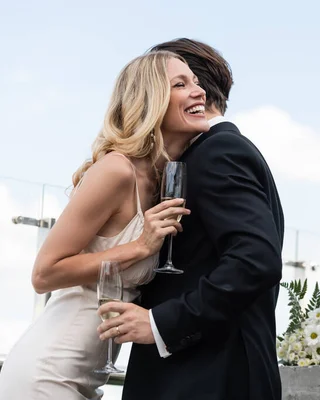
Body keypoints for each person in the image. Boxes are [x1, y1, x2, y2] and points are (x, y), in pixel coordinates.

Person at [0, 50, 210, 399]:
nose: (199, 91)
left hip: (88, 375)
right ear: (152, 99)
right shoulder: (117, 170)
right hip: (49, 372)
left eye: (197, 82)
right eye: (181, 84)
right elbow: (44, 274)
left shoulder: (158, 181)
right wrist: (141, 246)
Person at [98, 38, 285, 400]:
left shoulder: (218, 151)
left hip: (208, 377)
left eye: (183, 81)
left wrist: (159, 323)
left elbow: (255, 259)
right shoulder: (197, 156)